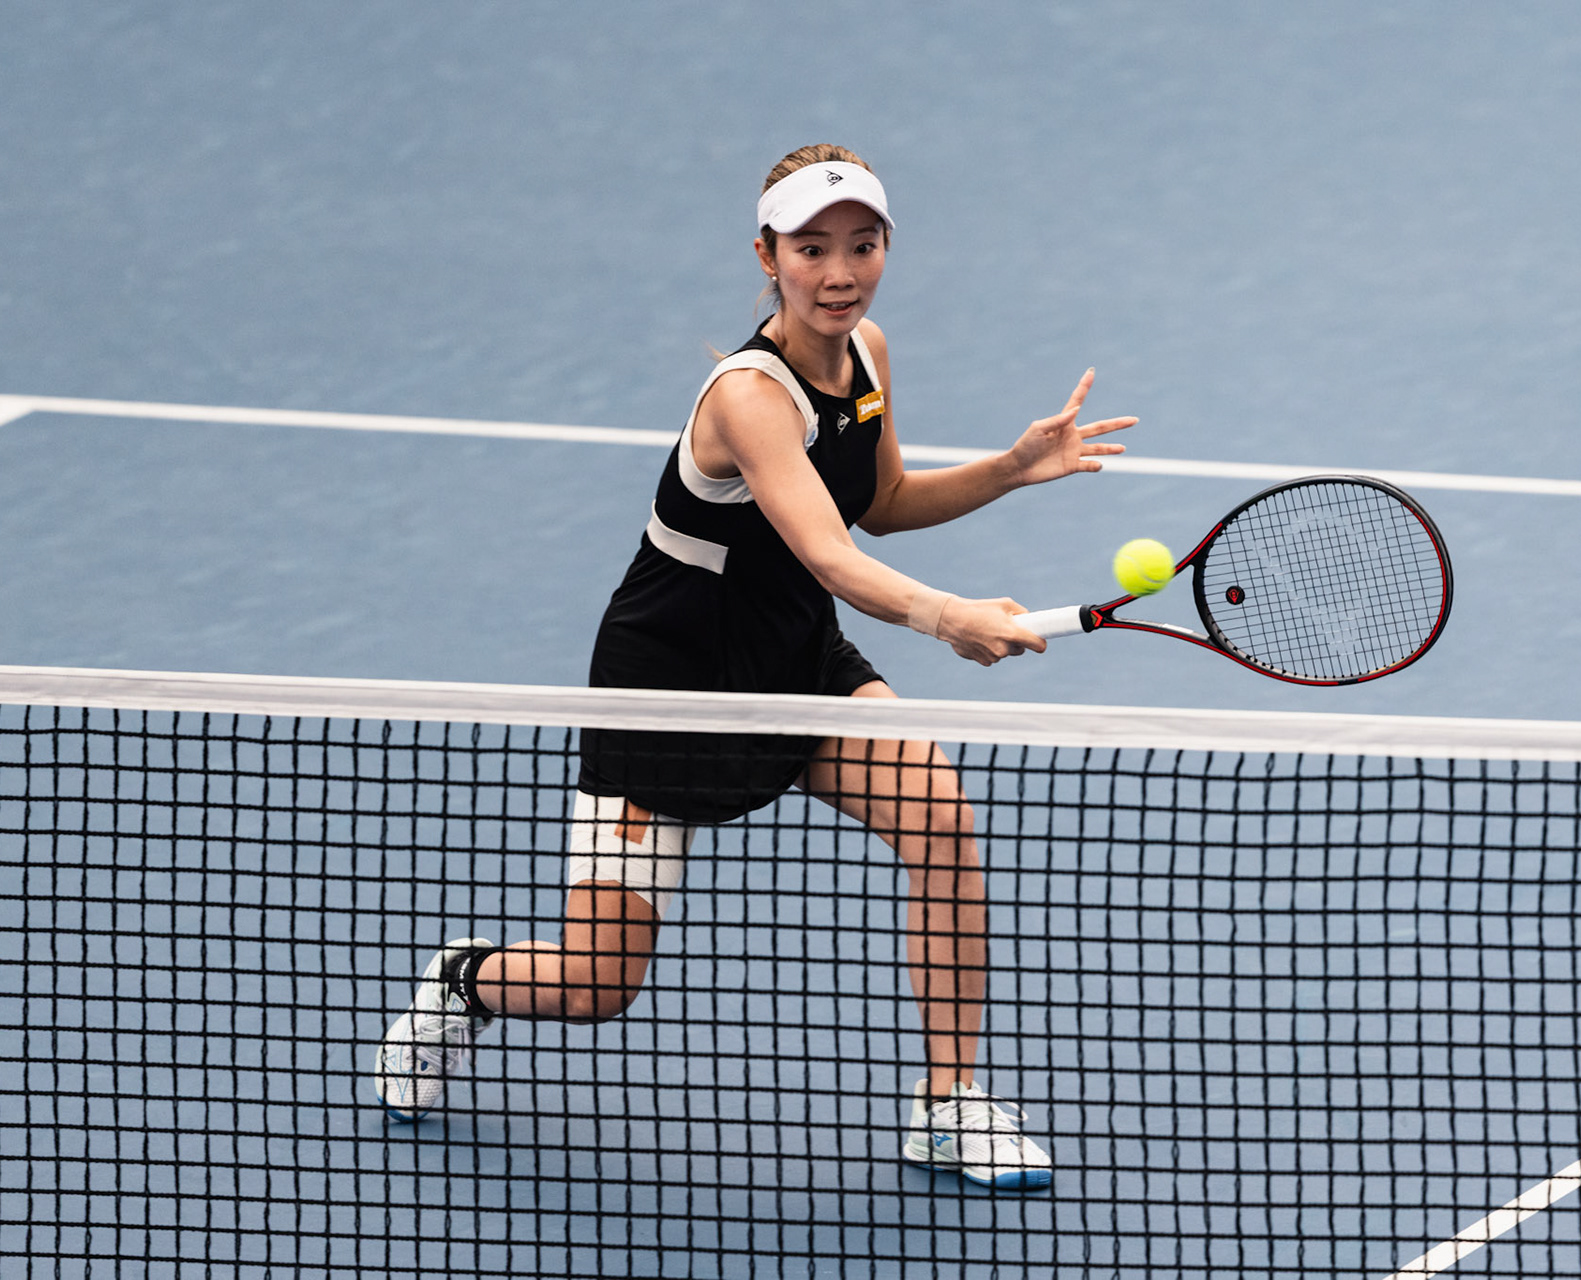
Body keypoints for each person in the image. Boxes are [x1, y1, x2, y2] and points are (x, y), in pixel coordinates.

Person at [372, 144, 1135, 1190]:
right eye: (811, 248)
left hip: (793, 655)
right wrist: (946, 613)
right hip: (669, 689)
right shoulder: (748, 396)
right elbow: (831, 554)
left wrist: (1010, 469)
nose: (839, 271)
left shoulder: (867, 351)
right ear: (766, 255)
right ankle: (469, 981)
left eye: (861, 245)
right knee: (601, 983)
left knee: (940, 814)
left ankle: (947, 1103)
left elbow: (874, 503)